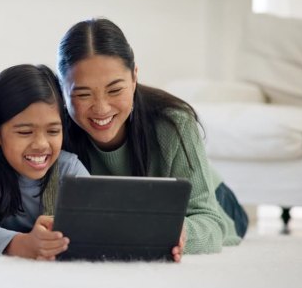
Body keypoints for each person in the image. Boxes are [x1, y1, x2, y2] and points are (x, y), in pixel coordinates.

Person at [56, 18, 247, 261]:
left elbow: (211, 221)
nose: (101, 109)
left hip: (215, 202)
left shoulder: (174, 123)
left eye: (115, 90)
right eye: (83, 94)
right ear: (62, 89)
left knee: (228, 219)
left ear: (134, 77)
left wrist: (179, 232)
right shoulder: (53, 129)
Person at [0, 64, 89, 259]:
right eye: (25, 132)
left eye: (53, 131)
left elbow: (98, 225)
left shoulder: (69, 167)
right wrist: (24, 244)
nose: (41, 144)